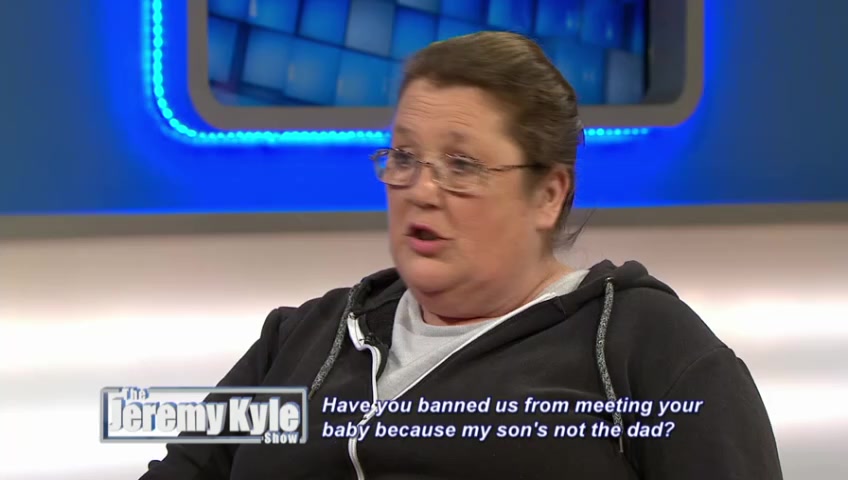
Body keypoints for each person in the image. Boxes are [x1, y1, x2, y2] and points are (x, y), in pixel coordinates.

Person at [140, 31, 783, 479]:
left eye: (462, 165)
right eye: (404, 157)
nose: (421, 190)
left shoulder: (646, 352)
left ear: (548, 194)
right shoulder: (304, 339)